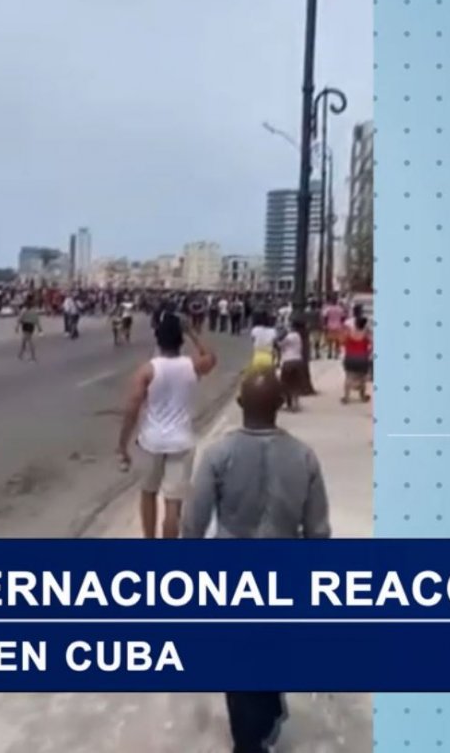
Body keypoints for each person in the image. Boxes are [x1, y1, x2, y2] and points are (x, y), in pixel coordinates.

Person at [181, 369, 329, 752]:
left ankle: (250, 740)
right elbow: (318, 531)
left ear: (239, 403)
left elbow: (193, 522)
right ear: (281, 403)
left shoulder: (218, 454)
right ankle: (266, 717)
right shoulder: (303, 456)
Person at [117, 313, 217, 539]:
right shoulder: (192, 366)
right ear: (180, 341)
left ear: (158, 339)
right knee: (173, 503)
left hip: (151, 441)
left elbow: (132, 409)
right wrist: (192, 332)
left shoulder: (147, 370)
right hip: (181, 442)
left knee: (148, 493)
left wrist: (122, 444)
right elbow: (211, 356)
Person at [278, 319, 309, 412]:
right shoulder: (298, 336)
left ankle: (288, 404)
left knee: (285, 384)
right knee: (296, 384)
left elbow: (280, 345)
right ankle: (296, 403)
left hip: (287, 361)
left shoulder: (288, 336)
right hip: (298, 361)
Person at [341, 314, 372, 403]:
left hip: (350, 357)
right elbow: (372, 344)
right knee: (362, 378)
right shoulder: (366, 334)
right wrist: (368, 352)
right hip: (362, 358)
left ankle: (346, 397)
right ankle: (362, 396)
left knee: (348, 377)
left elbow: (342, 341)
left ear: (355, 323)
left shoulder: (349, 332)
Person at [322, 296, 347, 360]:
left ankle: (329, 353)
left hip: (330, 326)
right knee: (337, 341)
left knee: (330, 340)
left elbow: (325, 317)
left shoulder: (328, 308)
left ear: (331, 301)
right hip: (338, 326)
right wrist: (342, 324)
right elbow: (343, 317)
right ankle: (336, 354)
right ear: (336, 301)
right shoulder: (340, 309)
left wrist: (325, 324)